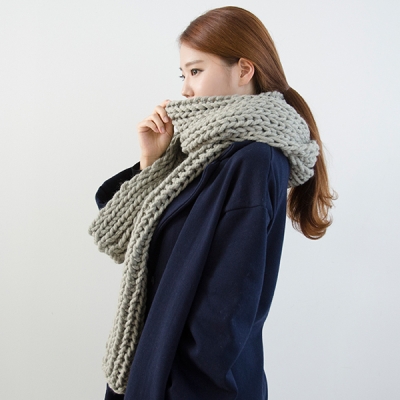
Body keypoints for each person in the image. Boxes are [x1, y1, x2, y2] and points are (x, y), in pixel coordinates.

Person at [89, 6, 335, 400]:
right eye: (183, 75)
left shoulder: (254, 161)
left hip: (196, 387)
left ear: (244, 70)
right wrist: (151, 163)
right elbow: (141, 241)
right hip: (162, 373)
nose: (186, 89)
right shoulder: (202, 155)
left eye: (196, 71)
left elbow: (224, 314)